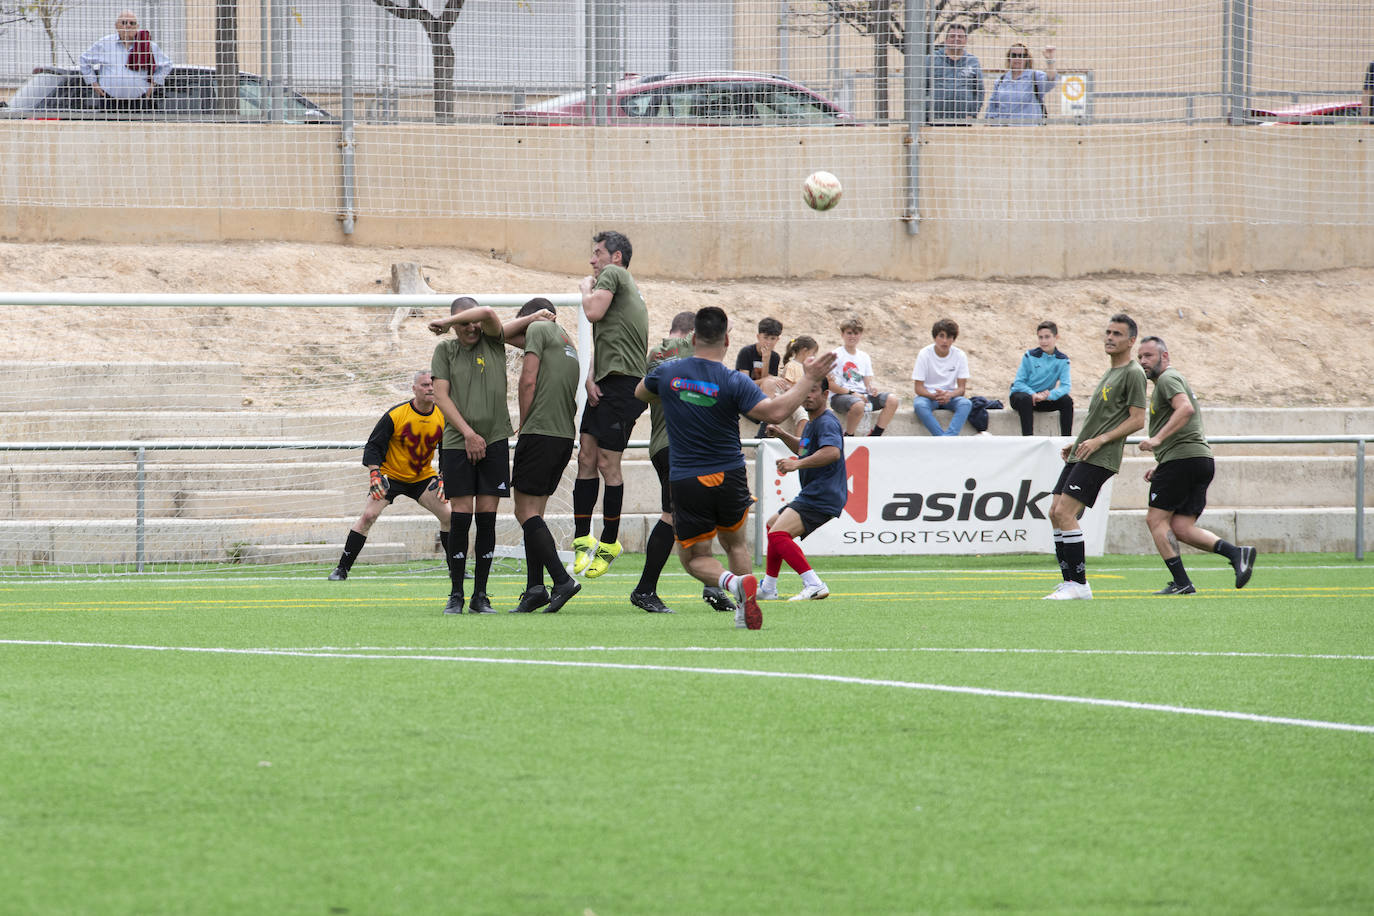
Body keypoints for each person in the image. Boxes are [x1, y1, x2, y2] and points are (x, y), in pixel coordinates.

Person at [637, 306, 836, 630]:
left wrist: (679, 394)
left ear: (694, 338)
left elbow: (640, 392)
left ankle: (731, 584)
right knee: (736, 545)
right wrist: (809, 380)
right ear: (727, 340)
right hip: (731, 476)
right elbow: (774, 412)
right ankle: (745, 611)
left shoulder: (668, 373)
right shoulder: (732, 381)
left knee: (694, 559)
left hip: (688, 478)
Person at [630, 311, 738, 616]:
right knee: (673, 516)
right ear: (694, 334)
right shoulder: (695, 355)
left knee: (695, 515)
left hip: (661, 444)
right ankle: (645, 589)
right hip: (686, 446)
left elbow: (643, 392)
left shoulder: (656, 353)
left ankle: (712, 587)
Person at [1136, 336, 1257, 595]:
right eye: (1141, 357)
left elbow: (1185, 409)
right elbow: (1187, 422)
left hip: (1182, 460)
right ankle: (1237, 554)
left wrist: (1157, 440)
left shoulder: (1167, 379)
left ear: (1164, 356)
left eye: (1148, 356)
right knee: (1181, 527)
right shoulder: (1170, 381)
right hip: (1197, 459)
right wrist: (1163, 461)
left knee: (1155, 520)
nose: (1143, 361)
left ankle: (1182, 583)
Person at [1043, 313, 1148, 600]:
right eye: (1108, 332)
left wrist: (1099, 440)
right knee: (1054, 512)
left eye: (1117, 334)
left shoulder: (1133, 373)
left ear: (1131, 340)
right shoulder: (1110, 372)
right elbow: (1100, 417)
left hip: (1101, 456)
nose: (1110, 338)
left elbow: (1138, 419)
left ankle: (1079, 585)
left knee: (1065, 512)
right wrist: (1077, 443)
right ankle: (1069, 582)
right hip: (1083, 451)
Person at [571, 230, 650, 580]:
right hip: (605, 381)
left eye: (598, 253)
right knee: (585, 456)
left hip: (624, 385)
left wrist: (585, 288)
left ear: (616, 257)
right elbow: (607, 339)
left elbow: (592, 312)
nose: (593, 260)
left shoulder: (613, 276)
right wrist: (590, 377)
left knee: (606, 462)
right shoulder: (618, 285)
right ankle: (581, 539)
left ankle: (609, 542)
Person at [429, 297, 514, 615]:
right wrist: (468, 433)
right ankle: (456, 594)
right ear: (454, 325)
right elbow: (440, 395)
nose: (472, 327)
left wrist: (451, 321)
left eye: (472, 321)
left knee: (488, 518)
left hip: (493, 441)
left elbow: (489, 313)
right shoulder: (445, 351)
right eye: (463, 323)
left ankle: (481, 596)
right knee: (461, 518)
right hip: (457, 442)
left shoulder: (494, 341)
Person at [328, 370, 450, 581]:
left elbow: (448, 449)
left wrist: (444, 476)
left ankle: (455, 569)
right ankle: (342, 569)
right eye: (424, 385)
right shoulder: (396, 414)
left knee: (450, 517)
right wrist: (375, 473)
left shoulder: (443, 415)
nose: (429, 388)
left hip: (422, 478)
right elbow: (373, 446)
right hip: (391, 476)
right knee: (368, 516)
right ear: (414, 389)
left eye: (432, 385)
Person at [502, 298, 583, 615]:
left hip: (539, 431)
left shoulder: (537, 327)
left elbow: (527, 379)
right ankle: (535, 589)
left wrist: (523, 424)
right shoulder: (564, 338)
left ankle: (562, 581)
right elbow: (507, 337)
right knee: (534, 515)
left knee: (524, 512)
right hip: (563, 436)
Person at [759, 376, 846, 601]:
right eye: (805, 390)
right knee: (772, 525)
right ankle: (769, 587)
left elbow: (832, 452)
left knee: (779, 533)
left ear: (825, 395)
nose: (808, 395)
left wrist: (797, 464)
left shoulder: (826, 421)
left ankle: (814, 583)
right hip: (815, 492)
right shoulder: (812, 422)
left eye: (814, 391)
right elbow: (805, 448)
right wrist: (782, 434)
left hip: (823, 493)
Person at [79, 12, 171, 111]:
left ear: (137, 27)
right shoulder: (104, 44)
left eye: (132, 23)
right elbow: (84, 60)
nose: (128, 26)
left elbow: (167, 65)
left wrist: (153, 84)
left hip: (140, 102)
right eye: (124, 22)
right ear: (116, 26)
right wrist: (93, 83)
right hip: (109, 102)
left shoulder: (148, 45)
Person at [829, 317, 899, 437]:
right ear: (842, 334)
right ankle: (849, 435)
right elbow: (830, 385)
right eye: (849, 333)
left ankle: (876, 435)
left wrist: (871, 389)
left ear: (860, 335)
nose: (852, 336)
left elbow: (867, 383)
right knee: (858, 405)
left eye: (856, 333)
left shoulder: (864, 357)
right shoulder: (835, 355)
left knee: (893, 400)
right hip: (841, 396)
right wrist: (852, 393)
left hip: (862, 395)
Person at [1009, 320, 1074, 436]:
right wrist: (1033, 394)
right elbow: (1018, 383)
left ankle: (1066, 440)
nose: (1043, 341)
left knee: (1067, 401)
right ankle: (1028, 438)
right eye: (1040, 337)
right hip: (1022, 397)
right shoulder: (1029, 356)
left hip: (1043, 399)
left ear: (1056, 337)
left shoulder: (1063, 360)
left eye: (1047, 337)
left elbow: (1066, 387)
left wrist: (1048, 395)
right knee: (1025, 399)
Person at [911, 318, 974, 437]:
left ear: (953, 339)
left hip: (950, 396)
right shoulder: (924, 354)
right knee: (919, 405)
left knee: (965, 404)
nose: (945, 341)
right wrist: (934, 396)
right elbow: (918, 388)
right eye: (941, 336)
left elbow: (961, 389)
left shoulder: (960, 355)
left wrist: (949, 395)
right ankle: (942, 439)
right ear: (935, 337)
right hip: (929, 395)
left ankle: (948, 437)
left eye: (949, 337)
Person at [984, 44, 1058, 122]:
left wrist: (1050, 61)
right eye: (1014, 55)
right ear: (1009, 58)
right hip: (1003, 130)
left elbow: (1050, 81)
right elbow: (992, 106)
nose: (1017, 58)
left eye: (1021, 55)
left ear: (1027, 58)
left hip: (1028, 129)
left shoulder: (1034, 77)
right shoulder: (1001, 81)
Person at [928, 22, 983, 124]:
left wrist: (973, 113)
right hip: (934, 120)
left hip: (963, 121)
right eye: (952, 36)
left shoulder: (972, 62)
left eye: (960, 36)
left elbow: (979, 91)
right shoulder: (932, 59)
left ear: (965, 40)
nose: (956, 39)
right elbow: (921, 87)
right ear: (946, 40)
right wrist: (926, 112)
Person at [778, 335, 819, 436]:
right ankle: (800, 447)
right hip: (792, 400)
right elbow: (788, 387)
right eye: (813, 353)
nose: (814, 357)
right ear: (805, 351)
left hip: (803, 400)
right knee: (803, 418)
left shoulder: (807, 368)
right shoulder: (792, 366)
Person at [734, 316, 783, 395]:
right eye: (765, 338)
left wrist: (766, 360)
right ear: (758, 337)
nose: (768, 342)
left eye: (773, 338)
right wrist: (768, 379)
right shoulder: (746, 352)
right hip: (743, 393)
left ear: (777, 340)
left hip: (761, 395)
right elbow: (744, 384)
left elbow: (767, 385)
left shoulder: (775, 357)